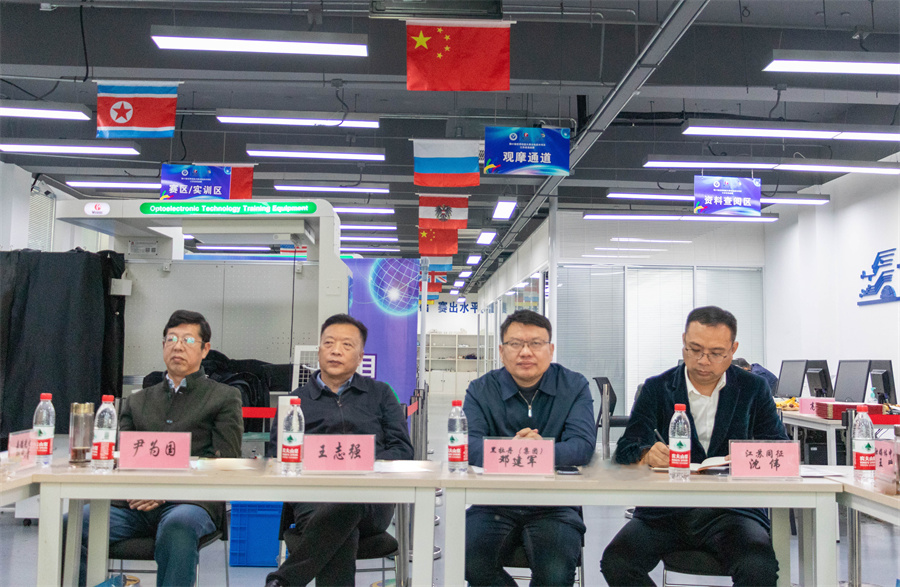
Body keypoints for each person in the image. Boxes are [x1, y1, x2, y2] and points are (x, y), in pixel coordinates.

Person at [601, 306, 788, 587]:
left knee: (758, 568)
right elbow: (625, 449)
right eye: (695, 349)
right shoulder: (657, 388)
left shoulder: (753, 389)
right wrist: (646, 454)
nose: (703, 360)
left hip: (732, 511)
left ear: (733, 350)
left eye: (715, 353)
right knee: (617, 561)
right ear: (683, 342)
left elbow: (778, 448)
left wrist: (745, 457)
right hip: (665, 510)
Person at [70, 309, 243, 587]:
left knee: (178, 527)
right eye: (171, 339)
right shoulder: (138, 400)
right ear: (163, 345)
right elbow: (124, 456)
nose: (178, 346)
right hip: (133, 503)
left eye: (188, 340)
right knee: (72, 524)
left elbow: (225, 460)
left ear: (205, 349)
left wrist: (167, 489)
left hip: (190, 502)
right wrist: (138, 487)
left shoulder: (224, 397)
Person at [265, 314, 414, 587]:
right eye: (329, 343)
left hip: (371, 499)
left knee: (347, 501)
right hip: (312, 498)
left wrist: (364, 468)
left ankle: (284, 581)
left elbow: (402, 450)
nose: (335, 351)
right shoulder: (295, 401)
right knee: (342, 531)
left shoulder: (381, 394)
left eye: (346, 345)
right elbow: (278, 454)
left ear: (360, 357)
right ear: (319, 350)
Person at [463, 309, 596, 586]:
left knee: (555, 575)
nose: (525, 352)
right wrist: (512, 450)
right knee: (468, 561)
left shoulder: (574, 386)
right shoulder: (480, 390)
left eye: (536, 343)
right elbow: (468, 446)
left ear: (550, 349)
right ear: (502, 351)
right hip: (493, 501)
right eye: (515, 344)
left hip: (556, 503)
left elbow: (582, 446)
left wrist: (535, 451)